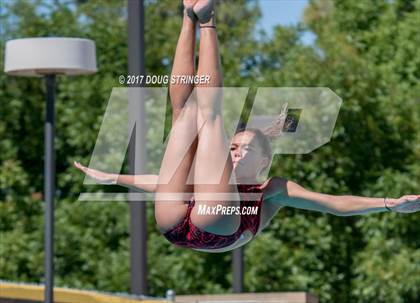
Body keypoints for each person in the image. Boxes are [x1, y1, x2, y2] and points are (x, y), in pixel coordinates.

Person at [74, 0, 420, 253]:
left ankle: (207, 21)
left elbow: (333, 203)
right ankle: (188, 17)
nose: (235, 155)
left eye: (245, 150)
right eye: (233, 149)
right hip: (176, 221)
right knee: (183, 113)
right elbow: (161, 184)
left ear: (264, 164)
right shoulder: (209, 178)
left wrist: (388, 203)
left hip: (217, 227)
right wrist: (115, 178)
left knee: (210, 117)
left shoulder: (272, 189)